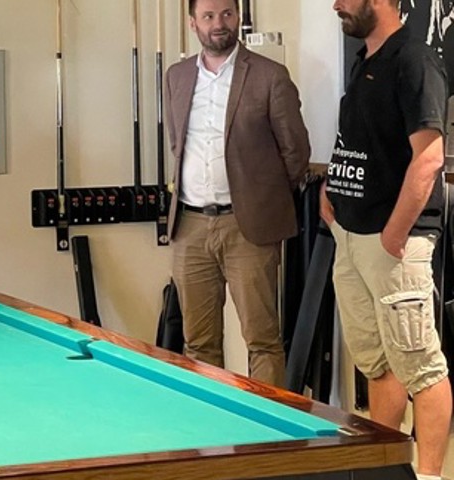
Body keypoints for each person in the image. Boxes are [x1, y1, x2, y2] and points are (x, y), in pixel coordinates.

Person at [322, 1, 452, 478]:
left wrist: (395, 233)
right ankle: (385, 468)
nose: (336, 4)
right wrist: (331, 188)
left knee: (421, 367)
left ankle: (430, 475)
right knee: (378, 363)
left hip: (393, 243)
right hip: (352, 236)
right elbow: (365, 141)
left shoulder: (414, 59)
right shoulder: (365, 61)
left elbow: (429, 157)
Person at [164, 0, 310, 387]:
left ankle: (267, 422)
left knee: (262, 340)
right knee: (198, 343)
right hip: (189, 226)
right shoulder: (176, 76)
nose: (219, 23)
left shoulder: (269, 76)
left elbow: (296, 152)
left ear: (238, 17)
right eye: (209, 16)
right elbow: (177, 143)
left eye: (227, 14)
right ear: (193, 22)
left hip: (248, 227)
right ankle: (209, 420)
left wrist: (262, 199)